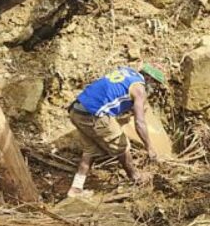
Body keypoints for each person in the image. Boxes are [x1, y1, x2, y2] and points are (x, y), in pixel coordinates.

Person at [67, 63, 166, 198]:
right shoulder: (139, 90)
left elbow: (112, 93)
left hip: (76, 110)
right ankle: (135, 177)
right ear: (149, 79)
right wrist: (149, 147)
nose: (154, 89)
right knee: (122, 146)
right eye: (155, 84)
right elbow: (140, 122)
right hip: (93, 114)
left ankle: (76, 188)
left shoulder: (127, 72)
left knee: (90, 151)